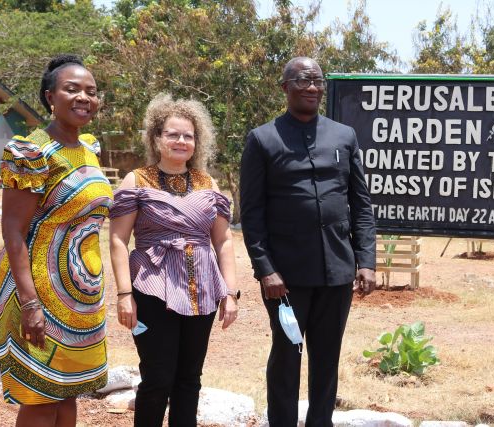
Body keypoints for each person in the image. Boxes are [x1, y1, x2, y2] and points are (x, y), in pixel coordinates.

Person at [239, 56, 377, 426]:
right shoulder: (263, 139)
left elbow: (360, 203)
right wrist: (265, 269)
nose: (312, 87)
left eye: (317, 81)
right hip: (284, 278)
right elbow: (251, 213)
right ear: (285, 87)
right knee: (286, 355)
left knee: (327, 356)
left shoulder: (343, 136)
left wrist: (366, 260)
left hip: (337, 271)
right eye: (302, 80)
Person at [0, 54, 112, 427]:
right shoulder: (31, 152)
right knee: (41, 396)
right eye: (72, 89)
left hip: (80, 293)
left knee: (67, 390)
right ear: (50, 97)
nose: (84, 98)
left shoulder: (88, 148)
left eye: (91, 92)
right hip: (37, 289)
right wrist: (30, 303)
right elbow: (12, 229)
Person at [109, 93, 239, 426]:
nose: (181, 141)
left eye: (188, 136)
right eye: (173, 134)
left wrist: (230, 292)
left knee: (189, 379)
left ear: (198, 142)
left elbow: (223, 240)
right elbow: (119, 240)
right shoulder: (136, 180)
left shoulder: (209, 184)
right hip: (152, 288)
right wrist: (124, 295)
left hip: (202, 290)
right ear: (156, 138)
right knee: (157, 378)